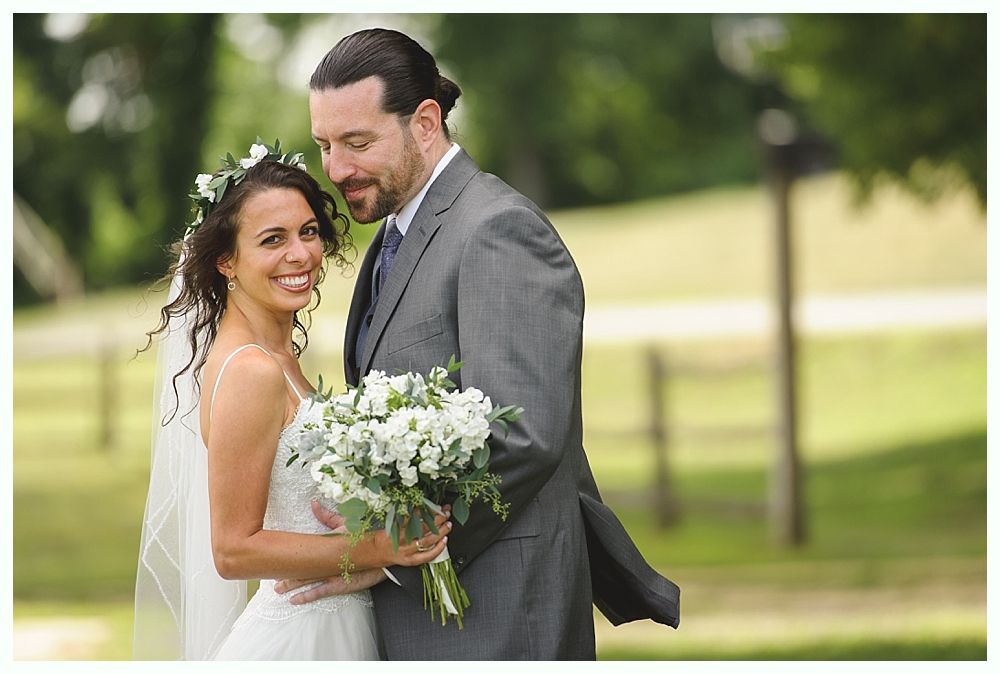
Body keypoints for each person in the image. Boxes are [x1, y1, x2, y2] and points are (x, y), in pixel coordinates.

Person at [276, 28, 681, 660]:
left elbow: (523, 436)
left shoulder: (497, 231)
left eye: (358, 143)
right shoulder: (390, 238)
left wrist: (393, 555)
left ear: (426, 121)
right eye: (325, 144)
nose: (335, 169)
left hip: (497, 610)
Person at [132, 143, 450, 660]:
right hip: (299, 638)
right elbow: (233, 550)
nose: (300, 254)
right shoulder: (251, 371)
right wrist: (382, 547)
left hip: (338, 621)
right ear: (226, 262)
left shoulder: (277, 356)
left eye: (307, 232)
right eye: (272, 240)